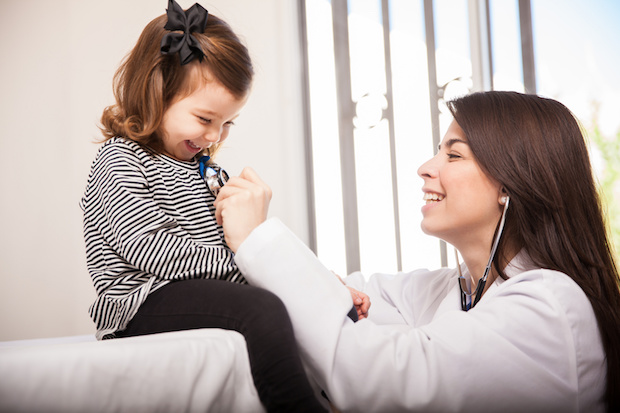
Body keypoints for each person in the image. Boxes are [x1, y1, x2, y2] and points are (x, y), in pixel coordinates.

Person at [215, 91, 620, 412]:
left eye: (453, 154)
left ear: (510, 184)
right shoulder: (450, 289)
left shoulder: (550, 307)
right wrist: (324, 288)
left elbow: (381, 378)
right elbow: (349, 298)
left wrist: (258, 237)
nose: (425, 167)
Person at [80, 1, 339, 411]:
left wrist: (318, 282)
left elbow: (245, 242)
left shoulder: (209, 172)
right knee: (262, 309)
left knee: (293, 303)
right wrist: (252, 267)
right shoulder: (122, 159)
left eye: (228, 122)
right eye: (205, 119)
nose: (215, 134)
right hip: (139, 302)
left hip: (195, 290)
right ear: (157, 92)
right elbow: (149, 249)